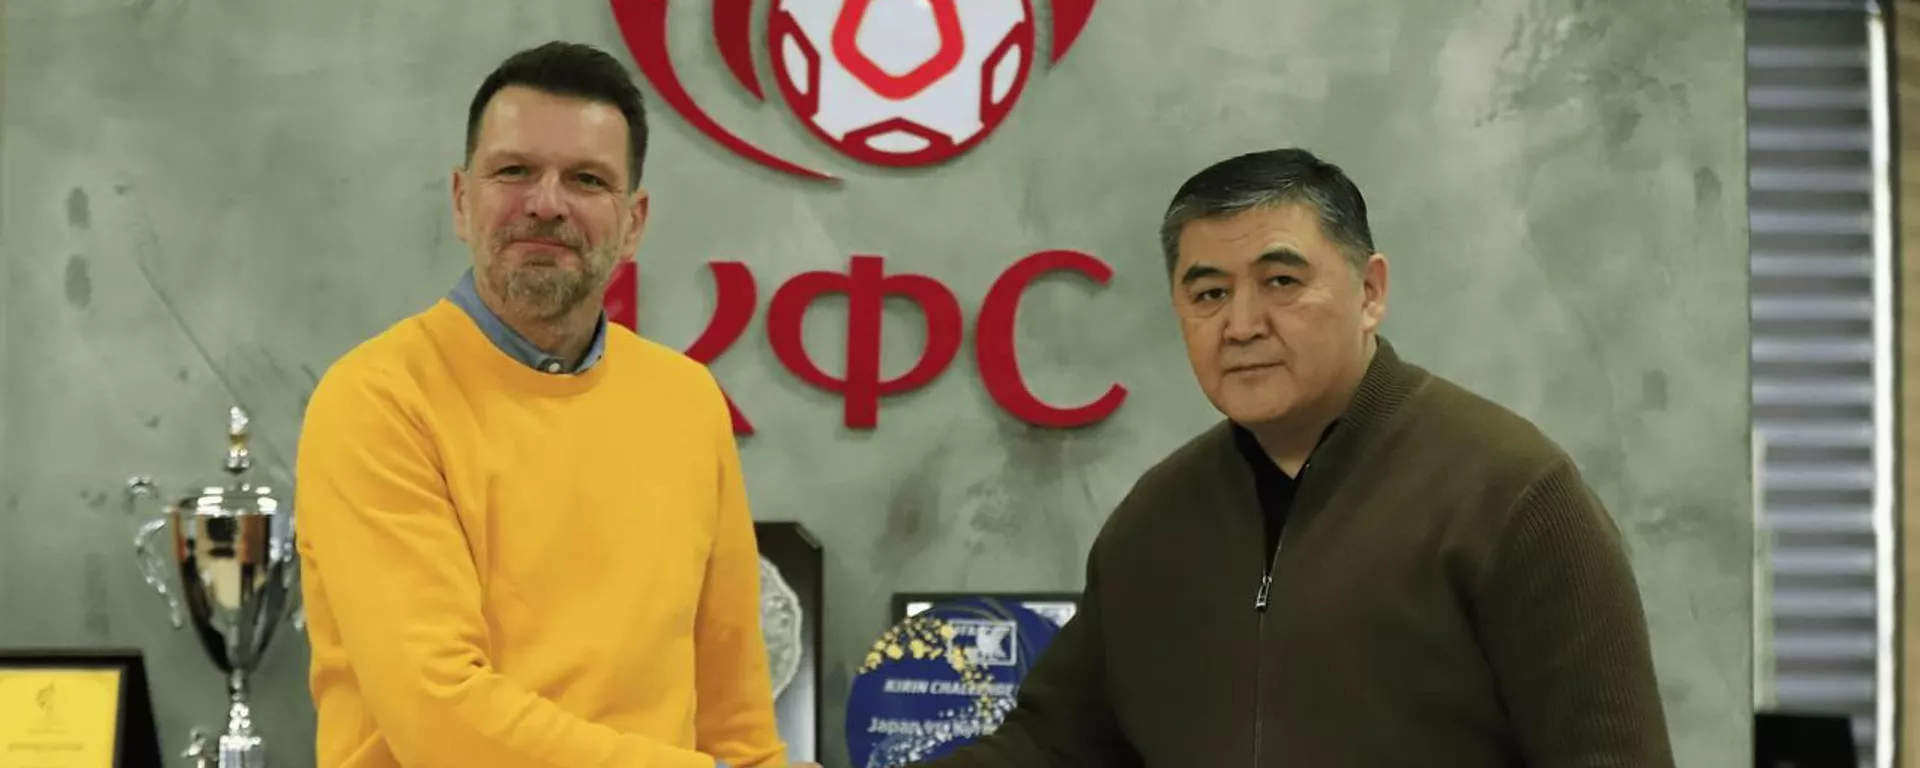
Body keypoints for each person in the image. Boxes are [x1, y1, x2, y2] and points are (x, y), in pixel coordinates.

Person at [918, 149, 1676, 767]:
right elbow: (1054, 749)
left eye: (1281, 282)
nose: (1243, 324)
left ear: (1370, 292)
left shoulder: (1511, 493)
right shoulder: (1154, 522)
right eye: (1209, 294)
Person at [294, 42, 811, 768]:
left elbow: (738, 719)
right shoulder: (379, 401)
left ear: (633, 223)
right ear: (461, 200)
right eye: (514, 171)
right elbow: (440, 719)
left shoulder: (688, 401)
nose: (545, 203)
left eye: (587, 180)